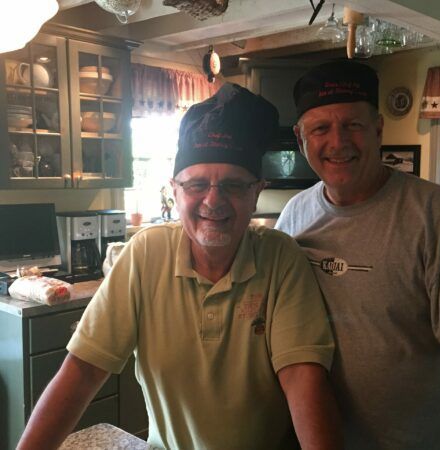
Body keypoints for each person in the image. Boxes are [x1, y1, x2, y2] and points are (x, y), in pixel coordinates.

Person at [18, 83, 343, 450]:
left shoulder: (282, 259)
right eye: (197, 184)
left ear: (256, 193)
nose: (213, 200)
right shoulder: (145, 254)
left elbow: (302, 377)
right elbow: (83, 370)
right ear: (175, 191)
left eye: (234, 185)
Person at [276, 60, 440, 450]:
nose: (337, 142)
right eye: (320, 128)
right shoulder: (292, 217)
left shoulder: (438, 214)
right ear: (300, 138)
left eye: (353, 125)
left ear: (377, 128)